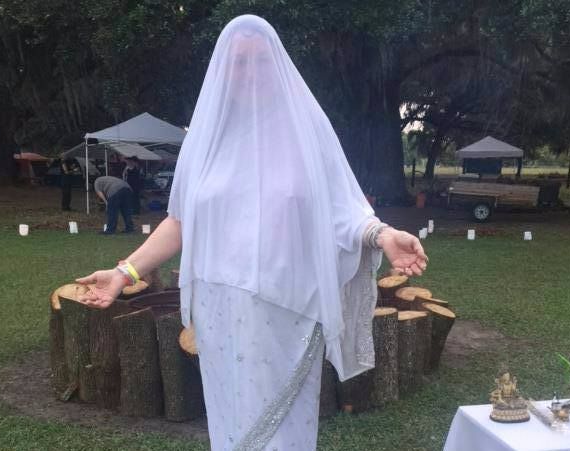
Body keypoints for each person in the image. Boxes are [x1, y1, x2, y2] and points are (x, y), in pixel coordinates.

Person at [78, 15, 427, 450]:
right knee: (232, 426)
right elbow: (180, 222)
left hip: (286, 311)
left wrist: (381, 235)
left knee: (281, 431)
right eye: (238, 63)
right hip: (220, 310)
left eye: (259, 62)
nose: (248, 73)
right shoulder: (206, 142)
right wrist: (124, 273)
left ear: (278, 67)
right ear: (223, 71)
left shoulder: (309, 135)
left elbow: (341, 210)